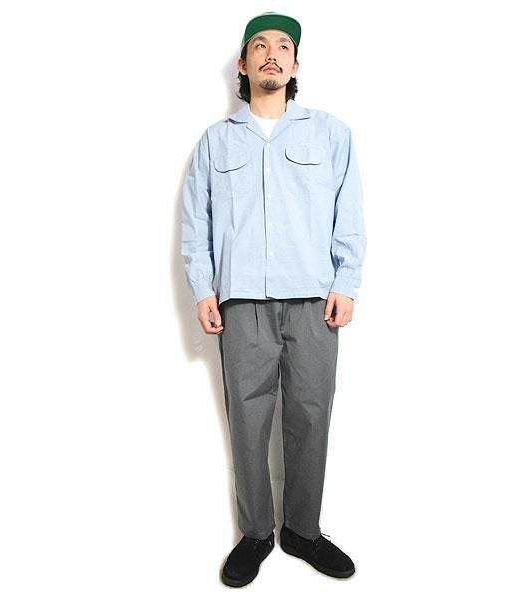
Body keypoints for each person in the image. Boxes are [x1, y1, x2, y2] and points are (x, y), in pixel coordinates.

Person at [181, 11, 366, 587]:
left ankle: (303, 531)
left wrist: (346, 281)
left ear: (295, 65)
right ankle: (257, 532)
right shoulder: (216, 141)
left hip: (314, 301)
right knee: (248, 419)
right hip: (241, 304)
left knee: (311, 415)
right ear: (242, 64)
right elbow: (196, 221)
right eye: (259, 46)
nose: (271, 54)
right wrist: (203, 288)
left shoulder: (331, 134)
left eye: (283, 46)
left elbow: (348, 212)